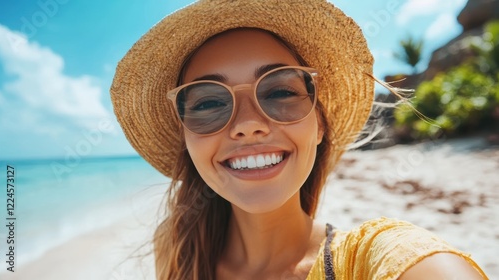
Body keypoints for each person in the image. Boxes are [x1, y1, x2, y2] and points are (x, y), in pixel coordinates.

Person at [110, 0, 489, 279]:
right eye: (209, 102)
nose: (247, 125)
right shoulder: (177, 252)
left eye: (279, 92)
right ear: (186, 138)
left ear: (320, 123)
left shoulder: (376, 261)